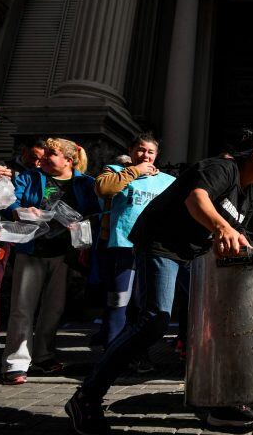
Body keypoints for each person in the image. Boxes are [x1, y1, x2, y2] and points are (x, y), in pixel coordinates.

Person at [66, 130, 253, 434]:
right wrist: (223, 229)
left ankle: (217, 401)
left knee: (214, 322)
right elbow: (197, 200)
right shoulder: (222, 168)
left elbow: (230, 232)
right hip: (161, 243)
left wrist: (243, 243)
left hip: (193, 255)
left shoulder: (251, 196)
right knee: (155, 319)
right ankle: (86, 397)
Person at [1, 138, 100, 385]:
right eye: (45, 153)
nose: (44, 157)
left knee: (53, 308)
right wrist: (19, 210)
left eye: (51, 154)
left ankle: (44, 355)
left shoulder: (85, 183)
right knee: (22, 307)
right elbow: (10, 199)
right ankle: (16, 362)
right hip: (32, 248)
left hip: (64, 253)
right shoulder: (29, 177)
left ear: (69, 160)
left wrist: (82, 227)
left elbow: (95, 213)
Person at [93, 132, 175, 358]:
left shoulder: (167, 181)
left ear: (157, 155)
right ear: (130, 151)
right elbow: (104, 189)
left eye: (150, 151)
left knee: (145, 306)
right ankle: (111, 355)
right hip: (124, 247)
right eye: (140, 149)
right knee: (118, 301)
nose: (145, 155)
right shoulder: (115, 171)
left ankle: (139, 355)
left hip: (153, 250)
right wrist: (135, 170)